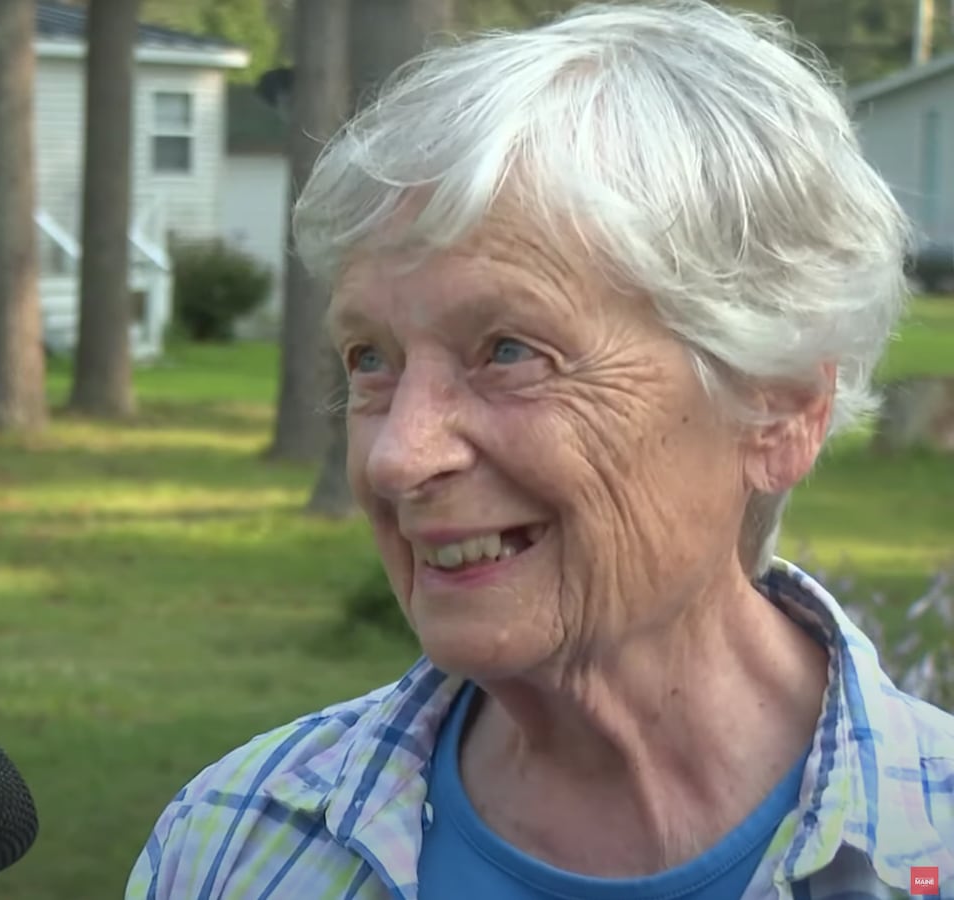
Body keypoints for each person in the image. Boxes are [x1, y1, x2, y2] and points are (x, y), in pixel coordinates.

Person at [124, 2, 954, 898]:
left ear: (782, 408)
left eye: (510, 351)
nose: (399, 457)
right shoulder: (235, 844)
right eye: (372, 361)